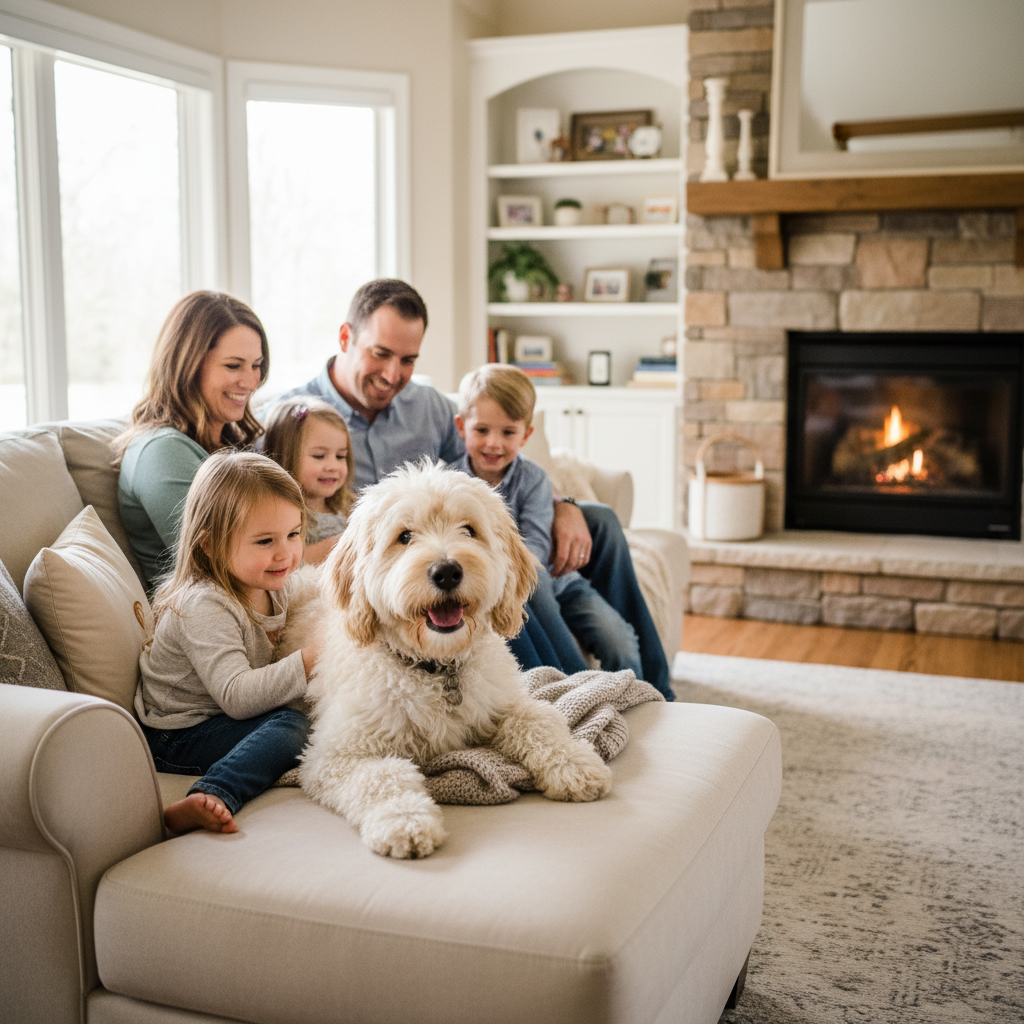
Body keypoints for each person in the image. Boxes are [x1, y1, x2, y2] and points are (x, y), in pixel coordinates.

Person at [273, 277, 673, 698]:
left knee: (601, 520)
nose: (393, 375)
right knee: (518, 567)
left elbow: (485, 459)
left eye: (408, 360)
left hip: (457, 529)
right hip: (392, 551)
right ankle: (572, 691)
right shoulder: (296, 419)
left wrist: (562, 503)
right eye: (381, 354)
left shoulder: (428, 405)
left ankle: (658, 689)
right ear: (345, 338)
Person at [135, 451, 320, 835]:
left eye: (294, 534)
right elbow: (237, 697)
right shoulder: (206, 606)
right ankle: (215, 792)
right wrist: (308, 659)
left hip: (221, 718)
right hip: (177, 736)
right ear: (210, 544)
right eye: (265, 541)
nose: (285, 553)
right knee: (294, 726)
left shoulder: (271, 583)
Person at [454, 364, 645, 682]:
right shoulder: (453, 483)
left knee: (620, 641)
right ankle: (577, 686)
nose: (494, 443)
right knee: (532, 582)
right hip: (513, 587)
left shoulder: (534, 479)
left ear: (526, 435)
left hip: (561, 582)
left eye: (508, 433)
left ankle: (638, 696)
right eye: (482, 430)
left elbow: (538, 548)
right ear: (462, 427)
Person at [114, 290, 270, 594]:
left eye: (257, 365)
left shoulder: (226, 441)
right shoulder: (161, 451)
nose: (251, 381)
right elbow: (227, 565)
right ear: (187, 366)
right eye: (233, 366)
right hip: (207, 612)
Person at [262, 397, 356, 564]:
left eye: (340, 456)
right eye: (319, 456)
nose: (333, 466)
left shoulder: (348, 505)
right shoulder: (279, 516)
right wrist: (337, 545)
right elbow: (287, 562)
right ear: (285, 457)